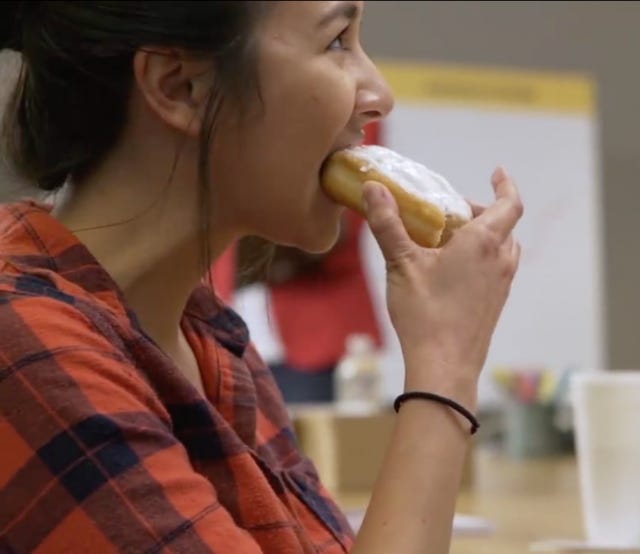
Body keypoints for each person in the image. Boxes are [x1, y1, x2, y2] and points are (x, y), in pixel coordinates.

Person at [0, 2, 523, 553]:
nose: (379, 94)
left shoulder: (213, 344)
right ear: (180, 87)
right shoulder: (23, 346)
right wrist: (444, 367)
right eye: (338, 41)